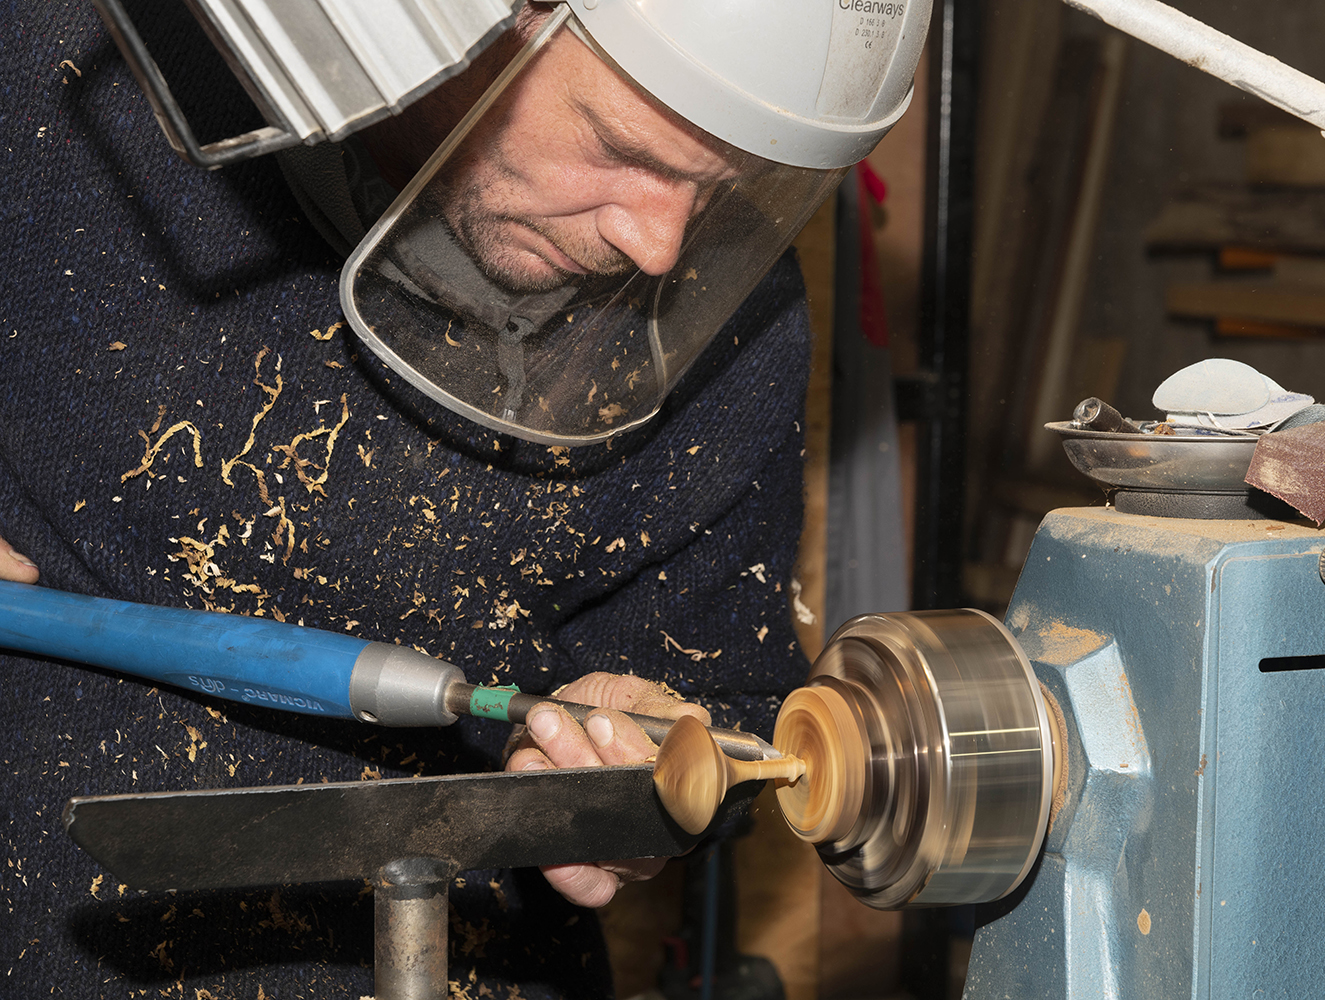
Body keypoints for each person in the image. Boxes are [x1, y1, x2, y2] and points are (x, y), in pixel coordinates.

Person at [0, 0, 927, 995]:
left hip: (465, 955)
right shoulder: (66, 84)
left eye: (721, 184)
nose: (659, 243)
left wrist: (648, 766)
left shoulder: (728, 327)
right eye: (623, 147)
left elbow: (727, 699)